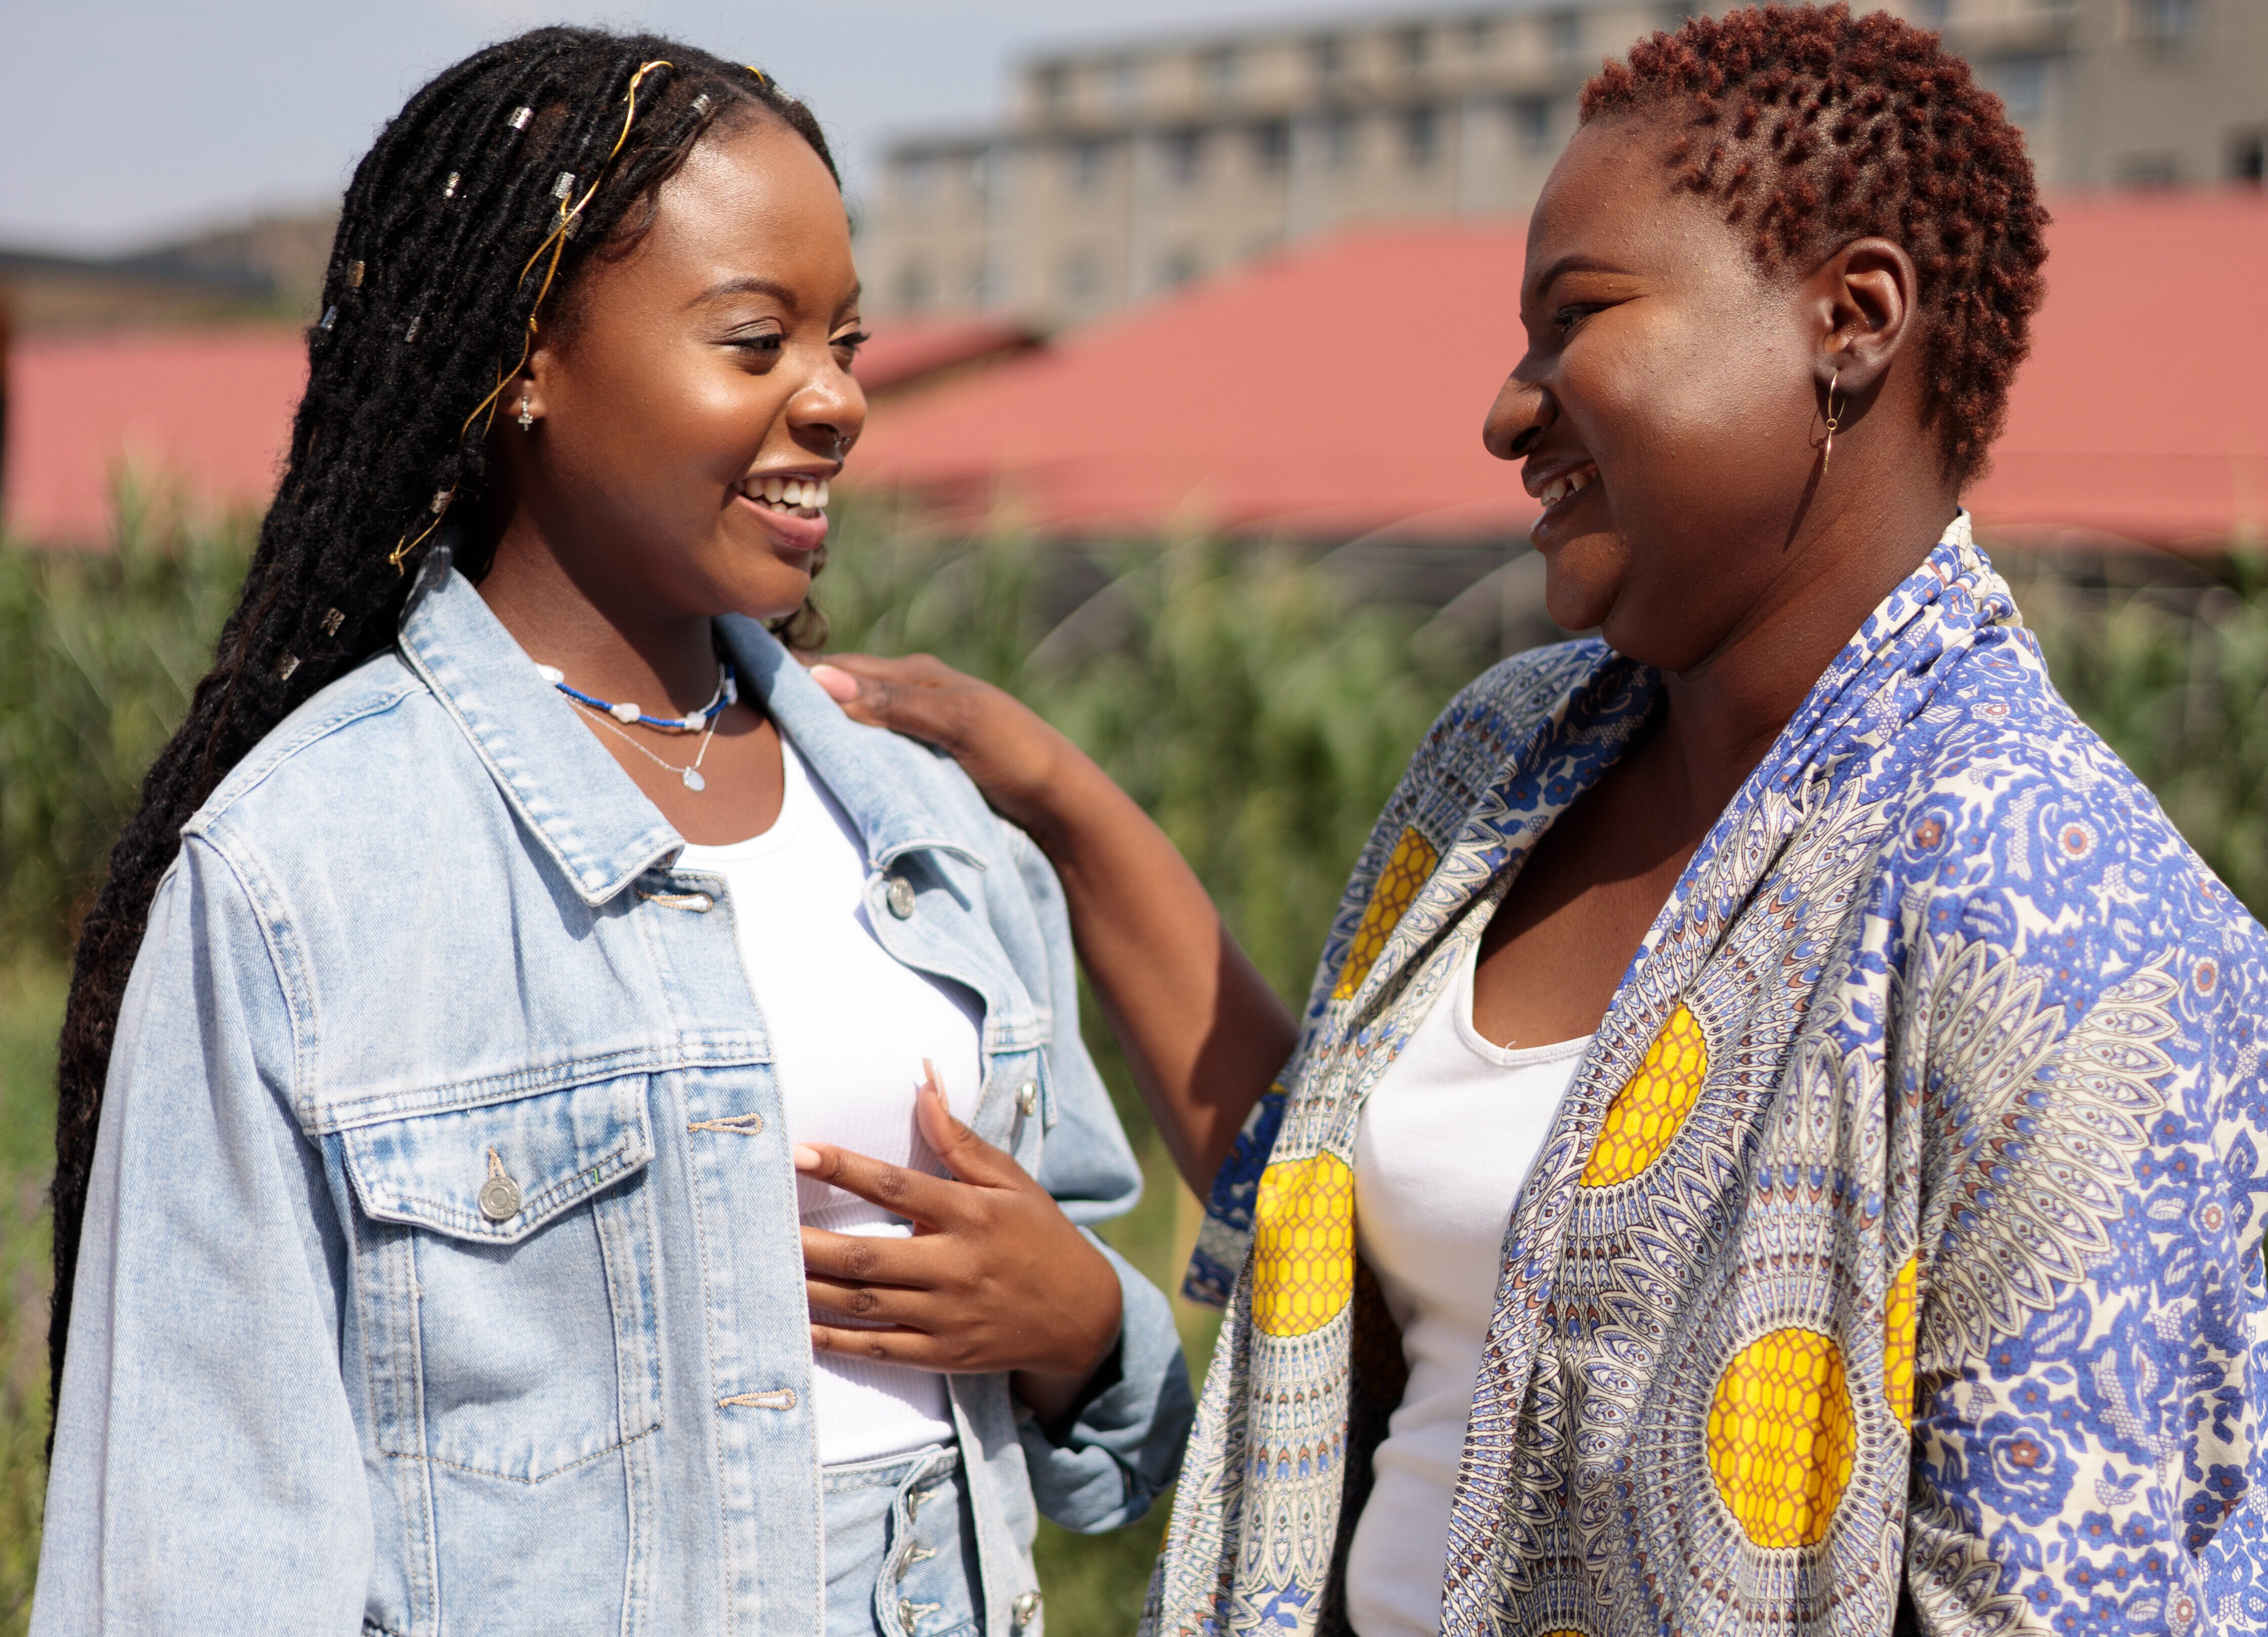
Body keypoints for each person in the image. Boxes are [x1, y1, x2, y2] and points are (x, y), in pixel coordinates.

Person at [811, 7, 2268, 1634]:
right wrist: (1059, 799)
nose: (1509, 413)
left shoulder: (2055, 904)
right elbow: (1333, 1225)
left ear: (1851, 318)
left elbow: (2071, 1590)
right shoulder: (1513, 752)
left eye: (1576, 318)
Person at [36, 28, 1190, 1634]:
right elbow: (196, 1539)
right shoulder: (305, 867)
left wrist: (1082, 1326)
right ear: (528, 363)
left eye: (846, 339)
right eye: (755, 339)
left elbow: (1115, 1452)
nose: (840, 396)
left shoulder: (924, 826)